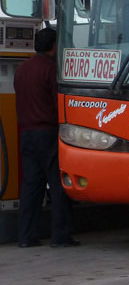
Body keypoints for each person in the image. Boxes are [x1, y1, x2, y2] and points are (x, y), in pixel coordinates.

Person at [14, 27, 79, 248]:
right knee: (58, 184)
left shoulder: (22, 69)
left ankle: (26, 236)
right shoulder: (52, 69)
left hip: (25, 134)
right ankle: (60, 235)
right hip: (48, 133)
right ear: (54, 46)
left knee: (31, 186)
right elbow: (57, 102)